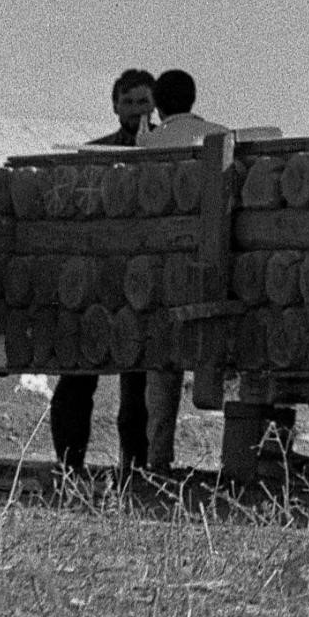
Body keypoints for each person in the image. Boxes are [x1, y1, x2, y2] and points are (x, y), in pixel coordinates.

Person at [46, 68, 156, 477]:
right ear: (114, 107)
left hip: (143, 283)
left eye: (142, 101)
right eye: (127, 102)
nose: (135, 110)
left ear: (155, 104)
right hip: (96, 282)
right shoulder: (95, 154)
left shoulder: (170, 149)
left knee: (137, 389)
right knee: (77, 382)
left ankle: (136, 470)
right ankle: (69, 467)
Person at [133, 68, 221, 473]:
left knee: (161, 374)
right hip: (217, 267)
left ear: (159, 105)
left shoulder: (151, 140)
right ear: (193, 98)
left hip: (164, 267)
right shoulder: (222, 134)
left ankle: (158, 458)